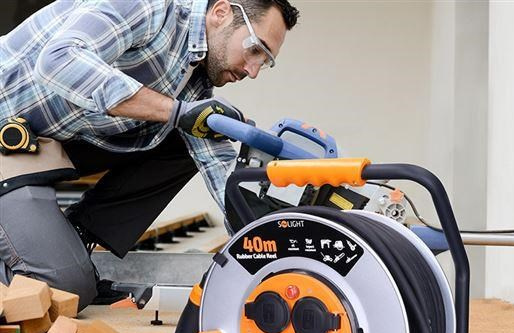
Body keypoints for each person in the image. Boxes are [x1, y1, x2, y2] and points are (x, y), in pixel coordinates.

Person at [0, 0, 299, 309]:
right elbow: (59, 60)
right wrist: (175, 111)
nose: (252, 70)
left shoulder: (195, 80)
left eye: (264, 61)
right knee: (66, 290)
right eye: (254, 49)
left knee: (191, 131)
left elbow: (219, 169)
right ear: (221, 13)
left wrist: (266, 237)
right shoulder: (148, 7)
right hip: (6, 137)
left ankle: (74, 239)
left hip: (42, 144)